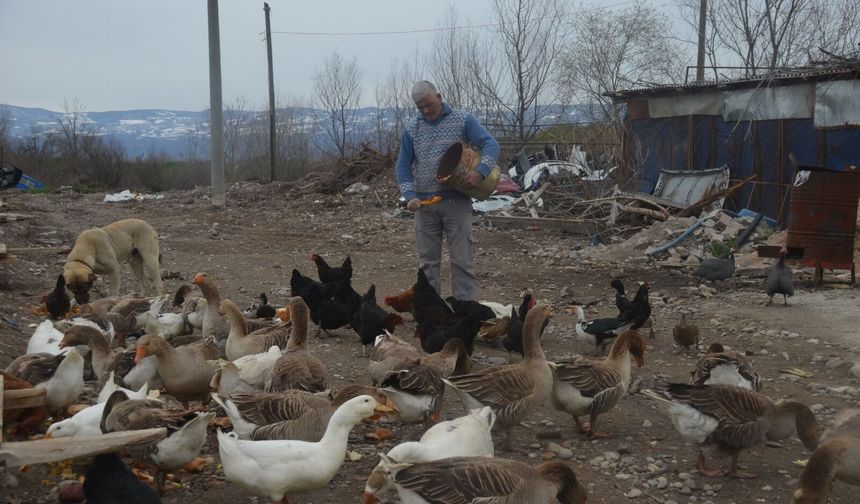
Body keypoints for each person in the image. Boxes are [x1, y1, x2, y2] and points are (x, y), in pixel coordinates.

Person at [395, 80, 499, 301]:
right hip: (424, 206)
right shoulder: (412, 129)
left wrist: (480, 171)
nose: (426, 110)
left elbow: (491, 144)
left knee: (462, 261)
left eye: (429, 104)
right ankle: (432, 313)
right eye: (420, 107)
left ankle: (464, 311)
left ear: (439, 97)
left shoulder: (463, 120)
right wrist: (409, 196)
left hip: (457, 202)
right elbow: (402, 166)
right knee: (427, 264)